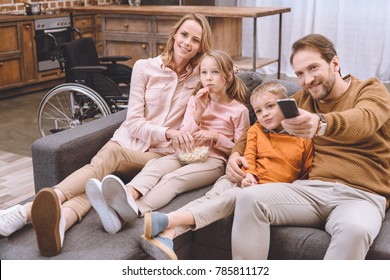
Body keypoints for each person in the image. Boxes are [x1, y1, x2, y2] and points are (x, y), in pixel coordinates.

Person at [0, 13, 212, 257]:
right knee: (95, 184)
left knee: (107, 159)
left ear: (200, 47)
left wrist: (229, 70)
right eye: (184, 35)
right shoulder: (145, 67)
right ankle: (62, 222)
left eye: (195, 40)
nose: (187, 43)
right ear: (174, 34)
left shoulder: (200, 77)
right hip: (128, 140)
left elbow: (223, 71)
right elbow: (133, 122)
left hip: (155, 157)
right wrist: (169, 132)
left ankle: (27, 210)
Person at [227, 33, 390, 260]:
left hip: (362, 195)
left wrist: (321, 123)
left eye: (313, 68)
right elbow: (259, 126)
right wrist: (235, 154)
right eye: (300, 74)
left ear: (335, 63)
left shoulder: (370, 89)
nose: (307, 80)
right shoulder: (304, 100)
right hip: (312, 190)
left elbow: (365, 120)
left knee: (356, 229)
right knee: (248, 198)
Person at [137, 81, 314, 260]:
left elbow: (305, 174)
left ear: (285, 104)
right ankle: (168, 234)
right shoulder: (256, 130)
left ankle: (168, 220)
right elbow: (249, 153)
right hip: (242, 176)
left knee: (230, 198)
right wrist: (248, 174)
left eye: (270, 106)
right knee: (212, 197)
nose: (264, 114)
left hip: (265, 190)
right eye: (258, 111)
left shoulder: (303, 139)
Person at [86, 50, 250, 240]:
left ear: (228, 76)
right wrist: (198, 112)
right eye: (204, 73)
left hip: (213, 161)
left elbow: (239, 149)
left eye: (214, 72)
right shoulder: (195, 100)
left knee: (173, 179)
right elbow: (184, 134)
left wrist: (215, 137)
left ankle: (127, 214)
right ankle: (126, 196)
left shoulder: (239, 111)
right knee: (154, 165)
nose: (208, 78)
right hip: (186, 152)